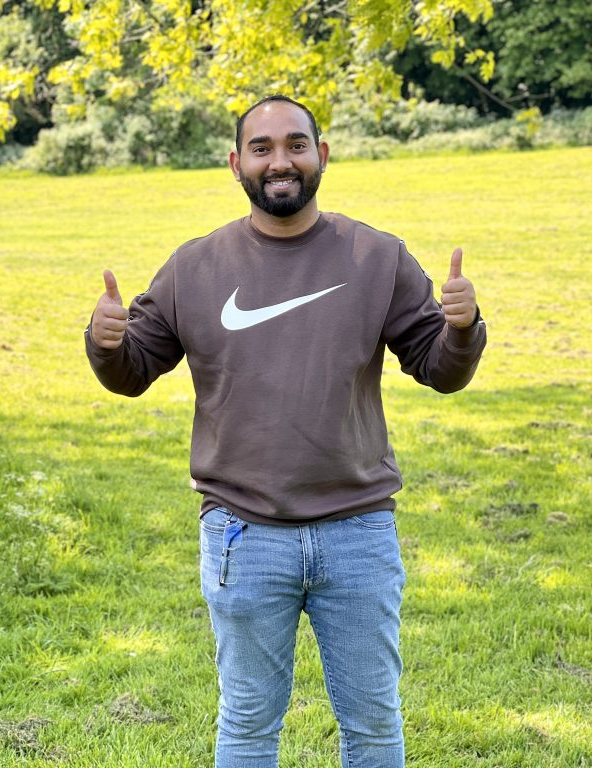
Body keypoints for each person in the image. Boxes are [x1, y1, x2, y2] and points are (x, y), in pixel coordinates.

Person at [86, 94, 486, 768]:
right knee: (247, 724)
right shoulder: (195, 267)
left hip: (358, 531)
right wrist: (106, 343)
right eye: (263, 148)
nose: (282, 161)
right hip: (243, 535)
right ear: (236, 163)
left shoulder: (376, 257)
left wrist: (461, 329)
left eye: (296, 145)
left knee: (373, 724)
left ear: (321, 155)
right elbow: (133, 371)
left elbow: (438, 369)